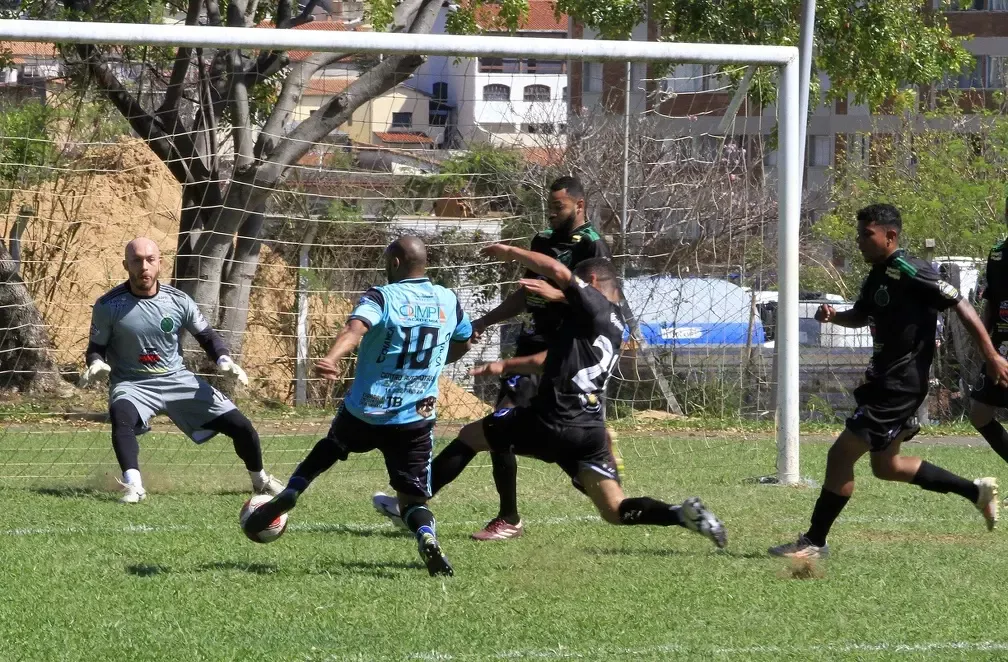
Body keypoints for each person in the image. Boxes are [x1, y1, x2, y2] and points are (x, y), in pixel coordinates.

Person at [375, 245, 727, 569]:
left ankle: (411, 501)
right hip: (590, 432)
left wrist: (509, 251)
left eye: (575, 287)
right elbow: (553, 360)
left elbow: (558, 270)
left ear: (591, 283)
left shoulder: (593, 304)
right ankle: (681, 514)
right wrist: (506, 366)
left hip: (552, 420)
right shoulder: (614, 323)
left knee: (470, 436)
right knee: (614, 509)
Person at [374, 175, 615, 541]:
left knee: (502, 429)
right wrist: (484, 321)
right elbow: (526, 295)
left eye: (559, 207)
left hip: (563, 352)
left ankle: (504, 513)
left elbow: (598, 304)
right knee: (496, 427)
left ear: (579, 205)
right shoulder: (543, 241)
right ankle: (427, 502)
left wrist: (556, 295)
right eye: (549, 207)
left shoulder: (593, 245)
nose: (552, 214)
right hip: (532, 343)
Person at [769, 204, 1008, 559]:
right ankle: (977, 492)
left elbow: (960, 302)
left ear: (890, 236)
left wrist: (991, 355)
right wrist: (834, 317)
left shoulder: (911, 269)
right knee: (887, 466)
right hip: (884, 380)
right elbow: (861, 315)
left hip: (900, 385)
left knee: (840, 455)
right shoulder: (877, 274)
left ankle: (815, 541)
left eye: (866, 235)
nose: (859, 241)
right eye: (859, 234)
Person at [243, 236, 473, 577]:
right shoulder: (449, 300)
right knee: (412, 501)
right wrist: (435, 363)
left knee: (331, 446)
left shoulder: (382, 296)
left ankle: (292, 490)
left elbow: (355, 328)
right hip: (415, 416)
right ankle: (425, 534)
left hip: (367, 409)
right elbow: (464, 342)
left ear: (395, 263)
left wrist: (332, 357)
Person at [80, 237, 283, 503]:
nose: (144, 266)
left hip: (177, 379)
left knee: (241, 426)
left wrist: (224, 360)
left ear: (160, 263)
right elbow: (95, 348)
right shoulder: (108, 305)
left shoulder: (178, 300)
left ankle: (260, 481)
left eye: (150, 260)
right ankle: (134, 486)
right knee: (121, 417)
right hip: (132, 383)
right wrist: (95, 363)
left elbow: (207, 336)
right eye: (136, 261)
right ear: (126, 265)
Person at [969, 198, 1008, 463]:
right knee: (979, 413)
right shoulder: (997, 254)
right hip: (1001, 347)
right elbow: (990, 302)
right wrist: (984, 341)